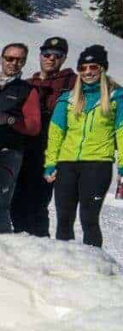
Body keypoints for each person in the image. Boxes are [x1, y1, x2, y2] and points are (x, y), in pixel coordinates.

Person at [44, 45, 122, 248]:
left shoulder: (116, 97)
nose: (88, 72)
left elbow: (122, 133)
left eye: (93, 67)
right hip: (66, 164)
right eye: (83, 68)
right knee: (63, 220)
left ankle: (94, 270)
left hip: (97, 164)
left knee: (89, 219)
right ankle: (64, 267)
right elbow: (56, 133)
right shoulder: (67, 98)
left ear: (102, 68)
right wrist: (50, 163)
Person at [11, 37, 77, 237]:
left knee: (38, 202)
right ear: (40, 56)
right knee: (15, 200)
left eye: (57, 56)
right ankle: (21, 245)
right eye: (47, 54)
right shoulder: (28, 83)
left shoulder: (73, 82)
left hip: (50, 151)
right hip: (23, 148)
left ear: (64, 58)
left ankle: (40, 246)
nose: (51, 59)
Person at [0, 43, 41, 233]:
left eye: (19, 59)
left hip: (8, 151)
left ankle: (1, 252)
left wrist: (9, 119)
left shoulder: (26, 89)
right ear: (1, 59)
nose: (13, 63)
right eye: (9, 58)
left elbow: (33, 126)